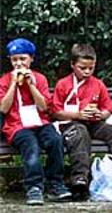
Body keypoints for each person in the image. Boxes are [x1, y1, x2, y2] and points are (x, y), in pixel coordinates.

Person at [51, 44, 112, 198]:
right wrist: (78, 115)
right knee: (80, 134)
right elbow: (56, 112)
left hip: (94, 122)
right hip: (72, 123)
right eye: (83, 68)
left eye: (91, 68)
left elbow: (107, 109)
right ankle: (80, 178)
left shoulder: (98, 84)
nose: (87, 72)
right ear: (72, 65)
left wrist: (100, 114)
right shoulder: (63, 84)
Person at [0, 38, 72, 205]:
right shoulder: (4, 80)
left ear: (31, 59)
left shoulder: (40, 79)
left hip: (40, 122)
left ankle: (56, 184)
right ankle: (34, 187)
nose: (18, 63)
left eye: (22, 59)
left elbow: (43, 107)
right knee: (30, 145)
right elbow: (3, 109)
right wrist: (13, 84)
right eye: (14, 59)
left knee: (55, 140)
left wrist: (31, 85)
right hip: (17, 126)